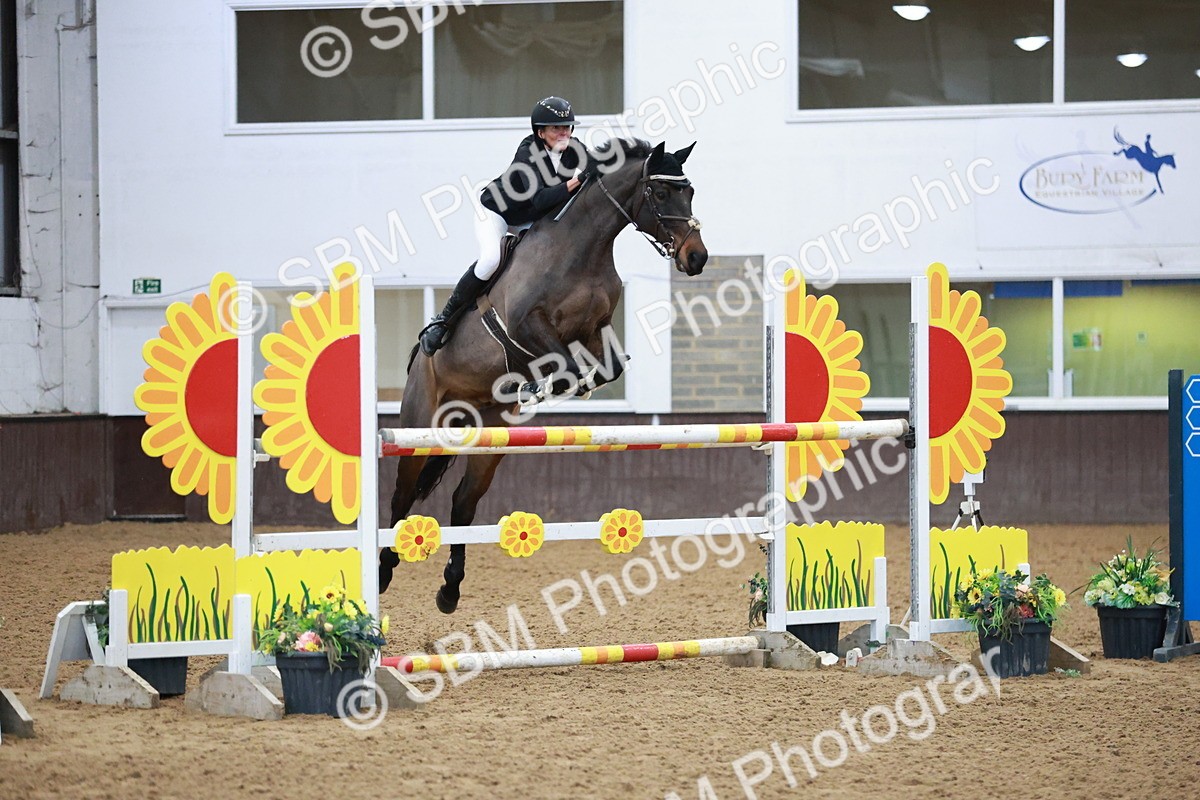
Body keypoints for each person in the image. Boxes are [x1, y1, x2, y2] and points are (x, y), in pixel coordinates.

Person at [419, 96, 591, 356]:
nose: (564, 132)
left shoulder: (574, 148)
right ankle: (442, 322)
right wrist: (578, 179)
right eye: (557, 128)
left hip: (532, 218)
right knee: (490, 260)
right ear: (540, 132)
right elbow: (541, 198)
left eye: (567, 127)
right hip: (497, 212)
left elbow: (601, 167)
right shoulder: (527, 152)